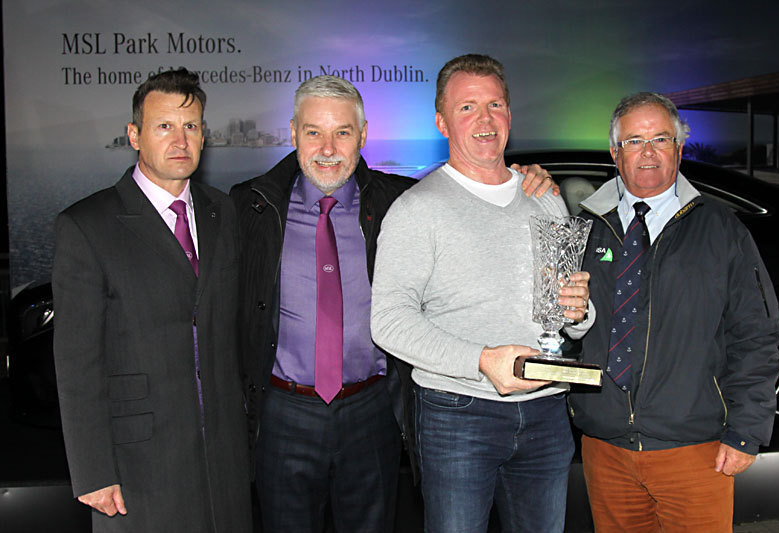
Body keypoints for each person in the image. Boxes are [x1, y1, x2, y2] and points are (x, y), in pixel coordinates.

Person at [229, 74, 557, 532]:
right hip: (284, 413)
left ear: (363, 137)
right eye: (313, 133)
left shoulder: (398, 201)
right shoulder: (249, 208)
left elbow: (473, 187)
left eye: (343, 132)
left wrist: (525, 176)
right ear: (292, 133)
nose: (328, 147)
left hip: (372, 413)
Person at [370, 54, 593, 533]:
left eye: (495, 104)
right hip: (458, 416)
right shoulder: (417, 209)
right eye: (467, 107)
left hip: (548, 410)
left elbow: (565, 311)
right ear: (441, 122)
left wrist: (579, 310)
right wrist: (481, 360)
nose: (485, 119)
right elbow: (388, 321)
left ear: (510, 114)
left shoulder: (545, 196)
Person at [568, 92, 779, 532]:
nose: (647, 152)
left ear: (679, 149)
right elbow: (561, 327)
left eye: (660, 139)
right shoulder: (584, 231)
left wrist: (746, 431)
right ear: (614, 152)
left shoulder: (721, 230)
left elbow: (757, 335)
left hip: (695, 451)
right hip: (606, 450)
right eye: (634, 141)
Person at [52, 68, 252, 532]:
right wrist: (93, 471)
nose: (180, 140)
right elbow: (77, 361)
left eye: (191, 126)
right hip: (137, 465)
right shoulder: (87, 225)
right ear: (134, 135)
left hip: (224, 459)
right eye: (164, 126)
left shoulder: (226, 212)